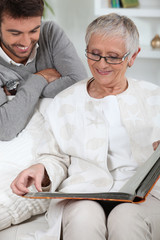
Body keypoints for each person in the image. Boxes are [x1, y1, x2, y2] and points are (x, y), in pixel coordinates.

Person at [11, 13, 160, 240]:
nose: (101, 64)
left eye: (113, 57)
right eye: (94, 54)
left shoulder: (154, 97)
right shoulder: (65, 101)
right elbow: (55, 157)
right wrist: (40, 171)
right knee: (84, 218)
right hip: (82, 193)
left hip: (144, 197)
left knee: (126, 217)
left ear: (132, 57)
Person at [0, 0, 87, 141]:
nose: (26, 42)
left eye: (34, 30)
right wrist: (39, 78)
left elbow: (79, 84)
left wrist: (19, 92)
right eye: (15, 33)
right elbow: (5, 128)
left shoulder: (51, 33)